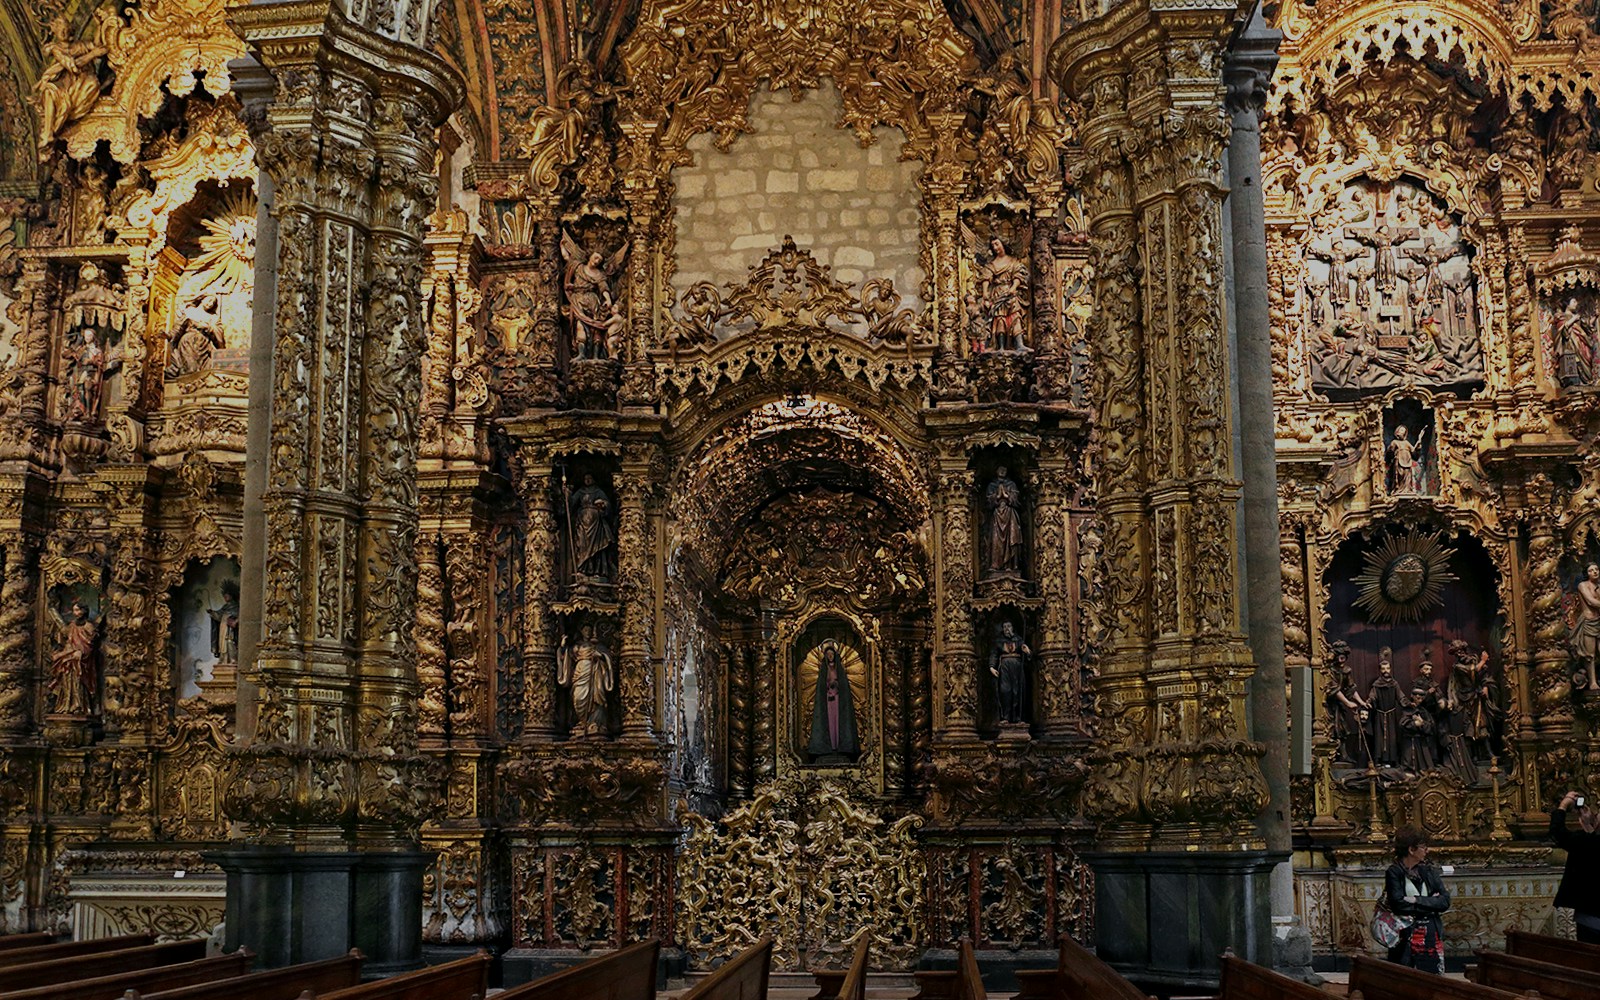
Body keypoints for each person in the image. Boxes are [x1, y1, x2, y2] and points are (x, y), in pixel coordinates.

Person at [1384, 827, 1450, 973]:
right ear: (1411, 850)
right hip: (1405, 934)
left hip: (1430, 933)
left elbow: (1444, 901)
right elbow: (1398, 905)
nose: (1427, 850)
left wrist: (1415, 900)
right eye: (1423, 847)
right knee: (1405, 976)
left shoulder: (1428, 871)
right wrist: (1429, 902)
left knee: (1432, 975)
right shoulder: (1394, 872)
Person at [1551, 790, 1600, 943]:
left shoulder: (1585, 843)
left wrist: (1563, 806)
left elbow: (1557, 833)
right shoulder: (1588, 842)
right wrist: (1589, 828)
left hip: (1591, 919)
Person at [557, 623, 614, 738]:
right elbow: (566, 658)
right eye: (585, 630)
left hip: (594, 674)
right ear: (581, 631)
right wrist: (563, 648)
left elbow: (607, 658)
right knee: (578, 697)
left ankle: (594, 723)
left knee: (596, 698)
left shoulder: (597, 646)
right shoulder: (576, 646)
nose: (587, 632)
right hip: (580, 672)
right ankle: (582, 722)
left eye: (589, 629)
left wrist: (601, 657)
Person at [807, 641, 858, 762]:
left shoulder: (839, 670)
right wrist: (828, 687)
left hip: (838, 701)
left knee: (838, 722)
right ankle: (829, 746)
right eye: (828, 654)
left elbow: (843, 686)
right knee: (829, 723)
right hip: (828, 701)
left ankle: (840, 746)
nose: (830, 656)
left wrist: (837, 685)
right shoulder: (824, 671)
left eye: (832, 654)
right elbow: (822, 686)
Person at [984, 467, 1024, 579]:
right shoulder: (992, 485)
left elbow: (1016, 500)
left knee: (1012, 538)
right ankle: (995, 564)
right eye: (1000, 469)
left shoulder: (1011, 484)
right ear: (996, 471)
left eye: (1004, 469)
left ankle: (1011, 565)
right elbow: (988, 502)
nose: (1002, 471)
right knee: (996, 540)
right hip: (997, 514)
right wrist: (997, 496)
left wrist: (1007, 496)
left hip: (1009, 514)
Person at [1571, 562, 1600, 693]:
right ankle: (1593, 681)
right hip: (1589, 621)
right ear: (1586, 573)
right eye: (1591, 570)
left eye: (1596, 569)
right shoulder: (1582, 585)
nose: (1595, 572)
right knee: (1590, 654)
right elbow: (1591, 601)